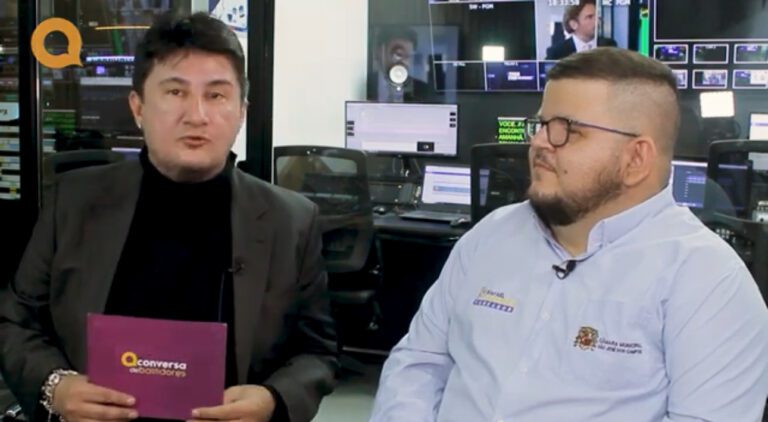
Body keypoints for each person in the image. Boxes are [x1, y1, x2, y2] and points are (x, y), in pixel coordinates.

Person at [370, 47, 768, 421]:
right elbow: (418, 363)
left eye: (568, 130)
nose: (539, 142)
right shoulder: (491, 235)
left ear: (636, 158)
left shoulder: (708, 280)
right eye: (542, 125)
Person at [0, 12, 337, 422]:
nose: (197, 115)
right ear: (137, 107)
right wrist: (55, 386)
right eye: (176, 92)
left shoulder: (291, 221)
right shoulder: (74, 202)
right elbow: (15, 322)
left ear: (242, 112)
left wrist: (273, 400)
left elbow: (316, 353)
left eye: (216, 95)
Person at [367, 26, 433, 102]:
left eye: (408, 56)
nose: (405, 62)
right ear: (379, 52)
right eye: (398, 54)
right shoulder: (365, 87)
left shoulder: (424, 91)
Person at [546, 0, 616, 60]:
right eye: (590, 17)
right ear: (573, 24)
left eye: (598, 16)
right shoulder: (557, 52)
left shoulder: (609, 46)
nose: (597, 21)